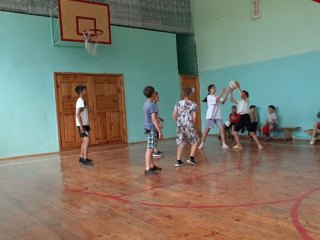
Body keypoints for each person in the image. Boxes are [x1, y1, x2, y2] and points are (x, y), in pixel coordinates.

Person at [173, 87, 199, 167]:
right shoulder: (193, 104)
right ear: (189, 94)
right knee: (195, 141)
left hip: (180, 125)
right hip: (189, 125)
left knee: (181, 142)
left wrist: (177, 122)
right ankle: (191, 158)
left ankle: (178, 161)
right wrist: (193, 124)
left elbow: (174, 114)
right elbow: (194, 117)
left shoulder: (178, 103)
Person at [198, 84, 229, 150]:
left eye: (215, 88)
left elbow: (223, 102)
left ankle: (224, 144)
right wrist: (222, 92)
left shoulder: (217, 96)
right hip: (210, 116)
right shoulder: (209, 97)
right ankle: (202, 144)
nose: (214, 89)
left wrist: (226, 94)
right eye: (213, 88)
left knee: (222, 129)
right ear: (210, 90)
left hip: (217, 115)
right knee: (207, 130)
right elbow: (215, 100)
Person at [143, 86, 163, 175]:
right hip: (151, 128)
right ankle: (147, 168)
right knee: (149, 149)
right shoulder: (151, 105)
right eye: (155, 92)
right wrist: (159, 131)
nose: (156, 93)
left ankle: (151, 166)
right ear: (152, 94)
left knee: (151, 148)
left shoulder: (146, 103)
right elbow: (154, 118)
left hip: (149, 127)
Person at [75, 85, 94, 166]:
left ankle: (81, 157)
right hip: (82, 124)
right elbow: (77, 114)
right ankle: (85, 159)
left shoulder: (82, 100)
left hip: (85, 123)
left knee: (84, 140)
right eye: (85, 90)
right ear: (81, 92)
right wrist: (81, 126)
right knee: (86, 140)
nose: (86, 91)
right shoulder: (80, 101)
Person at [153, 92, 164, 157]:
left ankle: (156, 150)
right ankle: (154, 151)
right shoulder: (153, 105)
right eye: (157, 96)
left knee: (156, 137)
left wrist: (160, 118)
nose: (158, 98)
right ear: (154, 97)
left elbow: (156, 115)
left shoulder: (155, 104)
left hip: (156, 121)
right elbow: (153, 117)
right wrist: (159, 123)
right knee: (155, 137)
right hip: (154, 124)